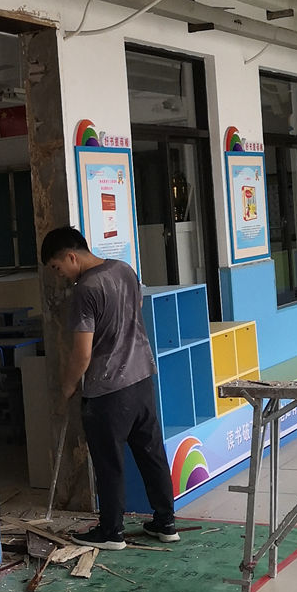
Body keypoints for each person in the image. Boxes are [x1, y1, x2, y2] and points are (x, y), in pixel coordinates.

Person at [40, 225, 177, 550]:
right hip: (141, 378)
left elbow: (82, 353)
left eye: (57, 268)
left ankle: (111, 531)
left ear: (71, 257)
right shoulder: (124, 269)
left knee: (108, 461)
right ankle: (166, 522)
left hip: (108, 389)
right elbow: (135, 310)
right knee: (151, 453)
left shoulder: (85, 290)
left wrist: (66, 387)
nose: (59, 276)